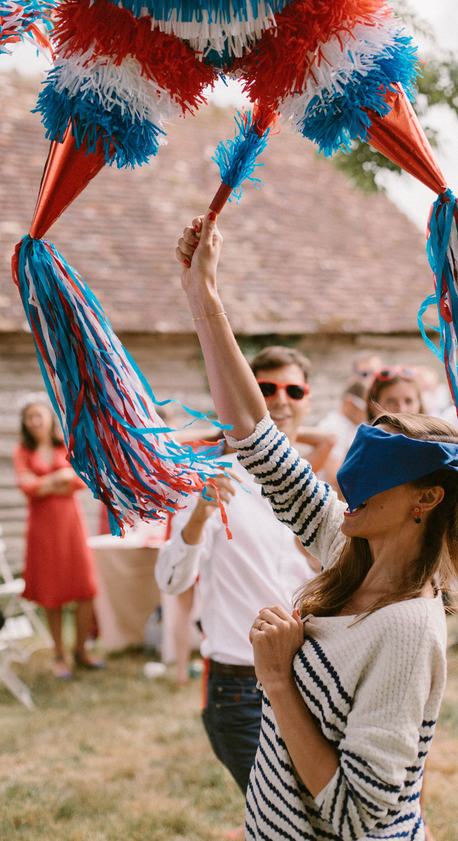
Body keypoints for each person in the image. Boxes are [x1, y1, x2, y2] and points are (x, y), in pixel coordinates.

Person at [173, 213, 458, 841]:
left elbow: (357, 815)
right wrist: (202, 294)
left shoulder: (405, 630)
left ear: (425, 499)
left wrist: (275, 678)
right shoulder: (349, 549)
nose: (348, 482)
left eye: (377, 473)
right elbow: (255, 435)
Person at [155, 346, 322, 819]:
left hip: (313, 677)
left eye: (294, 389)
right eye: (266, 389)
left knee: (313, 815)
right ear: (245, 396)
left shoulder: (313, 483)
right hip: (241, 687)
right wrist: (198, 517)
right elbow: (170, 580)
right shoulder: (212, 477)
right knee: (284, 817)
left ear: (309, 400)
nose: (281, 399)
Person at [13, 396, 103, 679]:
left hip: (71, 525)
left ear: (50, 418)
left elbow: (81, 480)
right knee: (52, 593)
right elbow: (26, 487)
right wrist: (58, 478)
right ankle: (59, 654)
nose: (35, 421)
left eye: (39, 415)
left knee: (86, 587)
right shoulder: (22, 451)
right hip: (42, 528)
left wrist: (49, 481)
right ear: (25, 423)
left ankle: (80, 650)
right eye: (30, 418)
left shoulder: (66, 444)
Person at [318, 379, 367, 494]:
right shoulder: (331, 427)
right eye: (365, 408)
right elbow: (335, 478)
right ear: (349, 401)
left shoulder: (354, 426)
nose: (367, 414)